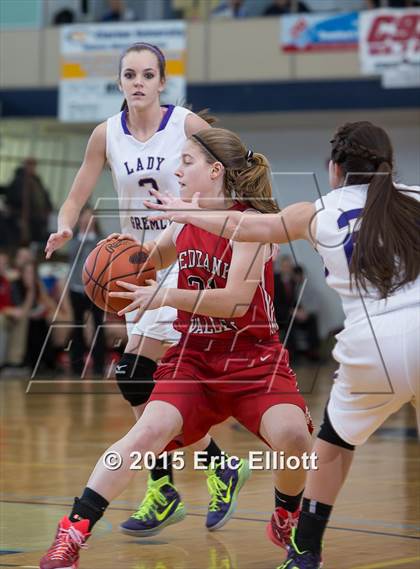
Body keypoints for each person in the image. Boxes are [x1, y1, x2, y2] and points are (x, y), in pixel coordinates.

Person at [148, 121, 420, 568]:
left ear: (334, 170)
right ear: (388, 169)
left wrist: (184, 212)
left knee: (333, 446)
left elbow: (248, 226)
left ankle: (305, 549)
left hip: (375, 347)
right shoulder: (411, 196)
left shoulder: (317, 211)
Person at [40, 127, 313, 569]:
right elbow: (147, 260)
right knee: (145, 433)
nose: (177, 169)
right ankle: (72, 534)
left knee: (294, 436)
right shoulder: (182, 219)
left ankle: (286, 514)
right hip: (194, 358)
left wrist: (166, 296)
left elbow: (233, 302)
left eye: (187, 161)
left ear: (215, 171)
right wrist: (108, 262)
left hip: (253, 361)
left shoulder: (252, 223)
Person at [44, 42, 241, 538]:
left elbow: (235, 166)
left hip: (181, 255)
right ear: (119, 82)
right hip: (135, 266)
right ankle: (209, 467)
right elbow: (77, 193)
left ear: (161, 82)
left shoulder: (188, 125)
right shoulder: (105, 134)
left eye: (147, 74)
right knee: (146, 384)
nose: (138, 82)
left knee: (135, 374)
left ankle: (166, 485)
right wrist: (66, 227)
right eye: (129, 74)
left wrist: (210, 212)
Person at [67, 205, 106, 376]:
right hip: (76, 288)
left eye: (91, 217)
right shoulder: (74, 239)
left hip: (96, 290)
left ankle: (99, 365)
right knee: (77, 326)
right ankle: (76, 365)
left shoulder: (101, 239)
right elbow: (73, 256)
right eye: (84, 217)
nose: (87, 220)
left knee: (99, 326)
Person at [6, 158, 53, 248]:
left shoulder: (36, 181)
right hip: (20, 216)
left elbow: (43, 197)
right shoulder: (18, 180)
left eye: (33, 165)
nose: (31, 167)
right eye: (29, 164)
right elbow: (12, 198)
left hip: (35, 217)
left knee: (34, 239)